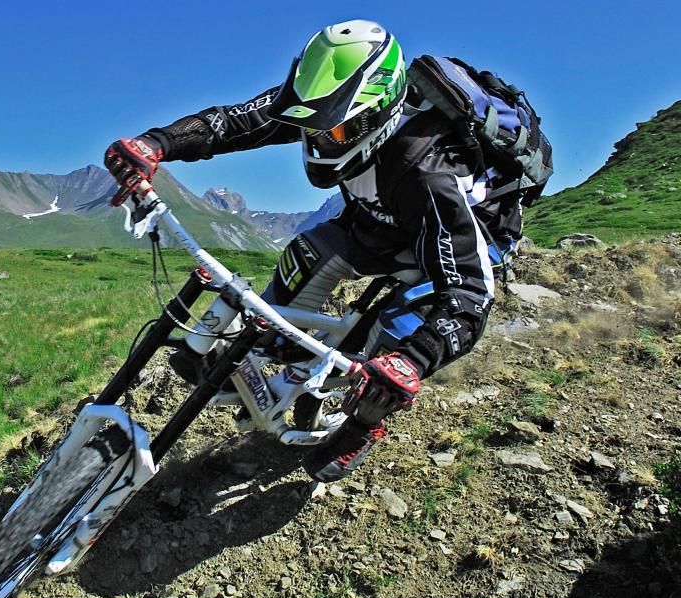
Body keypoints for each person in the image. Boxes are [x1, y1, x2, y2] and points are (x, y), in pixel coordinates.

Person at [104, 19, 523, 483]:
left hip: (457, 238)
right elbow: (236, 122)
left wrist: (413, 360)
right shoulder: (326, 102)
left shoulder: (428, 174)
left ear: (378, 111)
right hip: (377, 216)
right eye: (311, 129)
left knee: (390, 345)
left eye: (336, 134)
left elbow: (469, 296)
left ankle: (363, 426)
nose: (319, 143)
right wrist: (156, 143)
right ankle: (272, 359)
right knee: (304, 256)